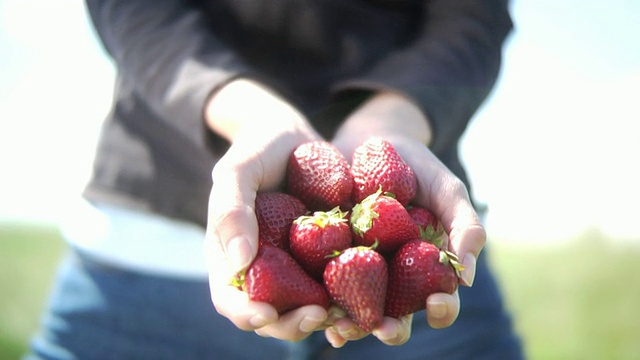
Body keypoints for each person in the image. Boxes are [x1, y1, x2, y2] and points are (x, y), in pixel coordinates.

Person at [26, 0, 523, 359]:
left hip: (417, 261)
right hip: (150, 263)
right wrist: (248, 115)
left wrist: (391, 123)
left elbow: (473, 15)